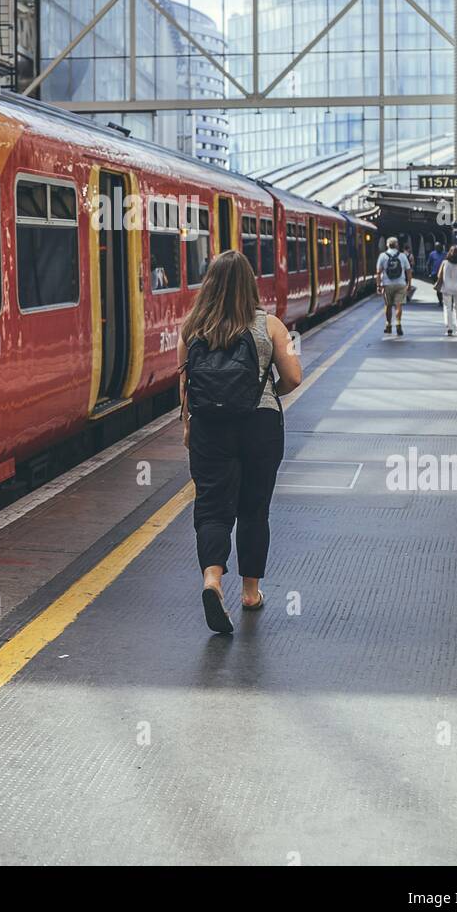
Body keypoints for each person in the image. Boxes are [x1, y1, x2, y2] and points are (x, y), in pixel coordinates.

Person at [177, 250, 302, 635]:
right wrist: (266, 391)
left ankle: (212, 580)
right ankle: (250, 593)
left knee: (212, 509)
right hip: (260, 425)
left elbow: (184, 384)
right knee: (253, 508)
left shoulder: (192, 327)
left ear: (209, 284)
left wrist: (187, 426)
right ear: (250, 283)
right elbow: (294, 377)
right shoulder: (272, 325)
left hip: (209, 427)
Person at [376, 235, 412, 336]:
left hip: (387, 284)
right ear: (397, 245)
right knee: (398, 305)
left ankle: (388, 325)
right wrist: (409, 284)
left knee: (388, 305)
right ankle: (398, 324)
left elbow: (378, 272)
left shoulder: (382, 256)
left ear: (387, 245)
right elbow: (408, 271)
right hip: (400, 284)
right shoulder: (402, 256)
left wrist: (378, 285)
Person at [437, 245, 457, 336]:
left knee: (447, 308)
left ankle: (449, 329)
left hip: (446, 288)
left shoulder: (444, 263)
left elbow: (439, 276)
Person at [427, 240, 445, 305]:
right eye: (436, 247)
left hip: (444, 273)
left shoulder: (445, 254)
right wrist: (429, 273)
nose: (438, 248)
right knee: (438, 288)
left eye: (439, 247)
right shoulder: (432, 254)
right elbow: (429, 264)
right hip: (435, 274)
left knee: (444, 287)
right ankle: (440, 301)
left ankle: (444, 299)